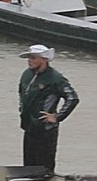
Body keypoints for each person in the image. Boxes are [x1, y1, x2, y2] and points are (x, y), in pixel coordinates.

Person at [16, 45, 78, 174]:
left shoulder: (55, 78)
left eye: (33, 58)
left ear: (44, 59)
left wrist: (56, 117)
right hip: (29, 127)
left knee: (44, 169)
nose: (29, 61)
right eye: (28, 58)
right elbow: (22, 93)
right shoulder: (26, 74)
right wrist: (21, 109)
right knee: (28, 167)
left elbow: (72, 98)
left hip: (45, 130)